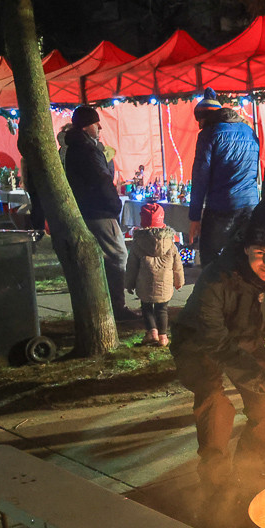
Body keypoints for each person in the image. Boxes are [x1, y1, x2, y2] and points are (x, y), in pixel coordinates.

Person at [170, 201, 265, 508]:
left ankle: (247, 473)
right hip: (199, 342)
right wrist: (262, 378)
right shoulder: (217, 277)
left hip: (245, 342)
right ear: (246, 248)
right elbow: (214, 340)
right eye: (261, 252)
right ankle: (214, 480)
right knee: (214, 402)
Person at [63, 105, 136, 319]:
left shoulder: (72, 147)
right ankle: (117, 307)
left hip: (86, 210)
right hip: (100, 211)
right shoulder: (88, 150)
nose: (100, 128)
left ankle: (103, 305)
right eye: (96, 124)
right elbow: (102, 180)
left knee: (101, 258)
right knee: (117, 256)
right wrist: (114, 205)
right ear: (86, 126)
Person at [187, 87, 260, 267]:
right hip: (250, 204)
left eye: (199, 121)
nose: (199, 125)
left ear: (204, 118)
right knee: (245, 258)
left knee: (211, 261)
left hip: (221, 207)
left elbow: (200, 177)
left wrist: (195, 217)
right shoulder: (249, 131)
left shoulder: (208, 134)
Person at [125, 202, 184, 347]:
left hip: (144, 283)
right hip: (165, 284)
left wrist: (129, 283)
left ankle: (152, 332)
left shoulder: (138, 243)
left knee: (146, 308)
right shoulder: (170, 243)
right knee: (162, 309)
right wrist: (179, 281)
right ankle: (163, 337)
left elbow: (132, 266)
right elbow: (177, 265)